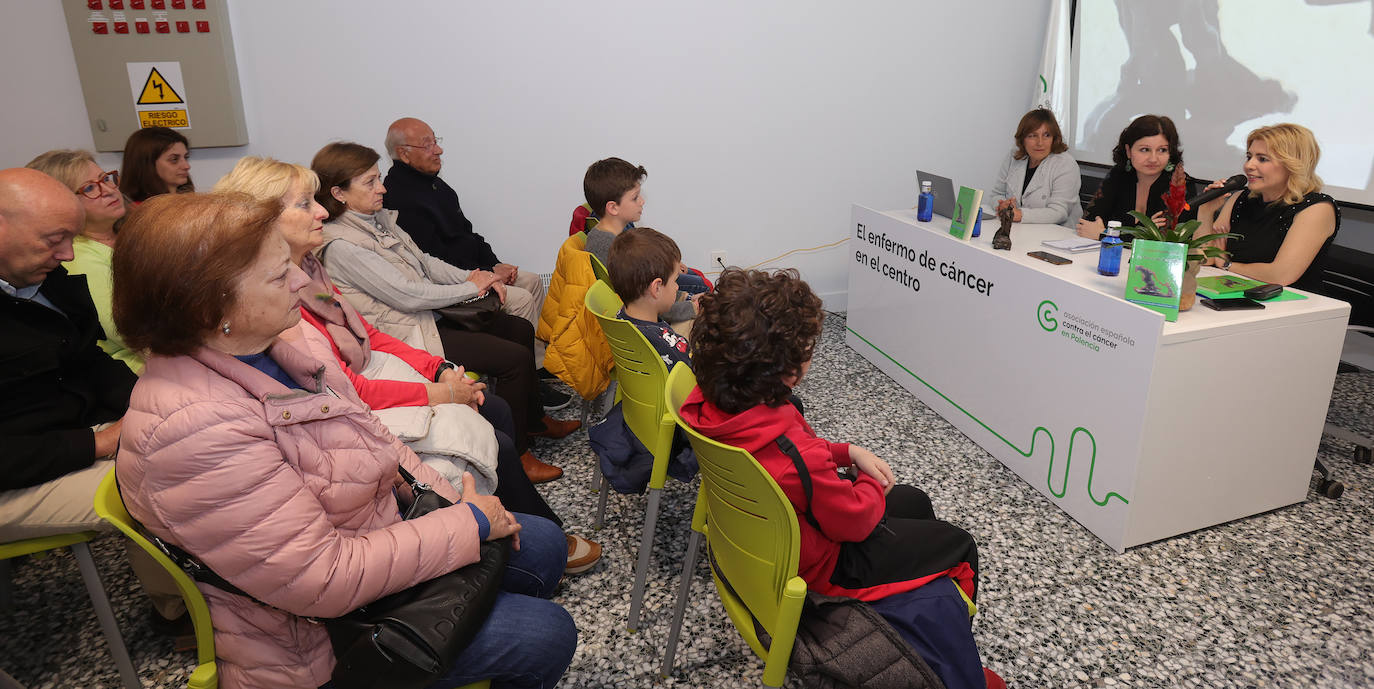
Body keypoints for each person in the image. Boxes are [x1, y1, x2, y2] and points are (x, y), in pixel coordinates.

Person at [112, 191, 577, 689]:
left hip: (368, 541)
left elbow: (379, 442)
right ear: (208, 307)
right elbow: (322, 579)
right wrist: (468, 524)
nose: (299, 280)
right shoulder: (195, 430)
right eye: (276, 275)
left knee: (545, 545)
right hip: (323, 638)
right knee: (548, 633)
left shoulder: (272, 350)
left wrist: (446, 506)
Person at [213, 156, 599, 573]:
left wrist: (438, 367)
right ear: (263, 222)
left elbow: (369, 336)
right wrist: (440, 391)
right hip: (370, 395)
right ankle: (519, 536)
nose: (323, 210)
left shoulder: (311, 269)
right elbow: (349, 388)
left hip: (378, 371)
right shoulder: (290, 306)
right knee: (495, 421)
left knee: (496, 402)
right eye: (305, 203)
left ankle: (514, 523)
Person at [678, 268, 986, 689]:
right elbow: (854, 521)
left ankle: (928, 638)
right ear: (786, 371)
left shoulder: (706, 401)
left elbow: (798, 459)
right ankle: (954, 671)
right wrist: (864, 479)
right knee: (958, 542)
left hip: (773, 541)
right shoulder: (793, 451)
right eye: (806, 350)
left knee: (911, 501)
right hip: (827, 566)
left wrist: (845, 453)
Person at [0, 167, 184, 628]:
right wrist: (98, 445)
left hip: (66, 438)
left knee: (195, 438)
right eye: (54, 239)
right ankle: (182, 616)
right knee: (168, 483)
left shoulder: (46, 279)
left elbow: (91, 362)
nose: (66, 254)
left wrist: (153, 402)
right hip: (19, 470)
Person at [311, 142, 579, 458]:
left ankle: (534, 421)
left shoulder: (378, 219)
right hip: (410, 334)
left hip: (430, 318)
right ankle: (518, 454)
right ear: (339, 193)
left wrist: (478, 276)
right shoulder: (342, 246)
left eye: (378, 178)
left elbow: (425, 262)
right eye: (370, 182)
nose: (382, 188)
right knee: (514, 359)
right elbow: (407, 295)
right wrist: (473, 288)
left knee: (519, 329)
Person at [381, 117, 547, 329]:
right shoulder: (400, 198)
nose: (438, 150)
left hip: (477, 270)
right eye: (428, 145)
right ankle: (529, 359)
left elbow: (468, 235)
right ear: (404, 154)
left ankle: (543, 358)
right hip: (453, 284)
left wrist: (494, 263)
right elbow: (436, 260)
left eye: (436, 141)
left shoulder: (436, 185)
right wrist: (489, 273)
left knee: (532, 281)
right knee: (521, 298)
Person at [25, 150, 141, 373]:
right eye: (89, 188)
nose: (109, 190)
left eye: (106, 178)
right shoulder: (76, 257)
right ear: (60, 203)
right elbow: (132, 333)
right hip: (137, 371)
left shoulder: (133, 232)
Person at [1199, 123, 1339, 290]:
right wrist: (1205, 211)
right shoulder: (1239, 199)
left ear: (1292, 164)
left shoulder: (1317, 208)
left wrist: (1227, 265)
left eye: (1262, 159)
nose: (1249, 166)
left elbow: (1281, 275)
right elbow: (1204, 259)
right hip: (1233, 292)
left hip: (1289, 305)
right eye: (1249, 156)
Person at [583, 157, 701, 326]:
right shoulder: (609, 247)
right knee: (702, 289)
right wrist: (692, 307)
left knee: (696, 283)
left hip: (655, 303)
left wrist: (685, 298)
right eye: (635, 198)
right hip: (648, 321)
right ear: (613, 207)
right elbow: (644, 302)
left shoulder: (611, 235)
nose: (642, 201)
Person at [1077, 114, 1199, 239]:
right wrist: (1141, 231)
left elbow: (1161, 239)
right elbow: (1087, 223)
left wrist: (1104, 234)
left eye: (1162, 150)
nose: (1153, 159)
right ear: (1128, 151)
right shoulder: (1119, 175)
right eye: (1145, 150)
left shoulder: (1180, 184)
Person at [607, 227, 691, 370]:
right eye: (675, 280)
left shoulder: (622, 317)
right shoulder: (664, 346)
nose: (677, 287)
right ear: (656, 288)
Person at [989, 108, 1082, 227]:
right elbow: (996, 194)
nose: (1040, 143)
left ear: (1054, 138)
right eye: (1033, 136)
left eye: (1046, 135)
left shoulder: (1065, 164)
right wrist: (1002, 205)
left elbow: (1059, 212)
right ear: (1023, 139)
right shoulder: (1014, 157)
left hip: (1056, 235)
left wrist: (1020, 215)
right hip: (1020, 229)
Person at [118, 126, 193, 202]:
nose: (187, 166)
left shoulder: (186, 202)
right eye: (174, 159)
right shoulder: (141, 211)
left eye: (186, 157)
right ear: (147, 165)